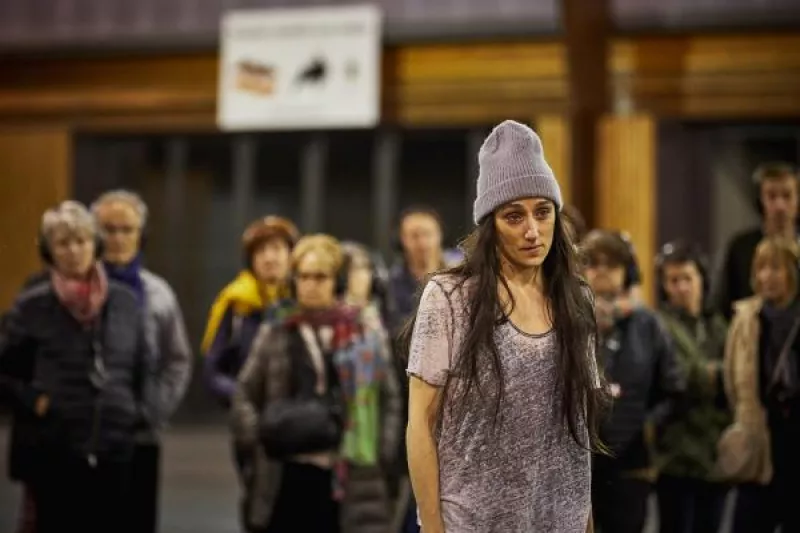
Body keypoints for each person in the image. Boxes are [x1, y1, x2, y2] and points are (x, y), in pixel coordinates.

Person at [401, 120, 606, 532]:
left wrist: (584, 520)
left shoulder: (576, 298)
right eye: (514, 216)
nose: (532, 231)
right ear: (490, 225)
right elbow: (420, 424)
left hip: (559, 521)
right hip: (472, 522)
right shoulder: (449, 297)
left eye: (542, 212)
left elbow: (577, 424)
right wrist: (432, 527)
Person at [231, 235, 402, 533]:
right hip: (283, 471)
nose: (310, 284)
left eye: (320, 277)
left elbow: (389, 398)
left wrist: (383, 454)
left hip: (347, 472)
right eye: (304, 276)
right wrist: (258, 440)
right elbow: (245, 393)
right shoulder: (276, 330)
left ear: (335, 281)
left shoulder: (362, 332)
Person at [0, 201, 148, 533]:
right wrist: (34, 400)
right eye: (63, 243)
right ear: (49, 251)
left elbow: (142, 364)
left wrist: (131, 411)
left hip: (114, 446)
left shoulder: (124, 301)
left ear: (95, 245)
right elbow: (4, 372)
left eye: (81, 241)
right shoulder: (32, 306)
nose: (73, 251)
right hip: (53, 448)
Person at [91, 190, 192, 533]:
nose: (117, 238)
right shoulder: (78, 289)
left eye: (126, 229)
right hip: (85, 432)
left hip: (140, 433)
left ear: (140, 236)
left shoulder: (158, 293)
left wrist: (154, 409)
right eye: (108, 229)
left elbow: (177, 360)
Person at [580, 229, 686, 533]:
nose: (600, 271)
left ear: (626, 272)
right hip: (576, 463)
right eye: (593, 263)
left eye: (610, 264)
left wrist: (647, 425)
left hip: (631, 463)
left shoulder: (648, 323)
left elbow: (673, 388)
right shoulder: (569, 320)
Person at [721, 237, 800, 533]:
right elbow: (731, 377)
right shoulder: (745, 318)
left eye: (776, 268)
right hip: (758, 437)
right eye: (761, 268)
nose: (767, 276)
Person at [653, 241, 730, 533]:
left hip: (715, 453)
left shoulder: (717, 324)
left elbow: (740, 374)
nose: (681, 287)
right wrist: (717, 374)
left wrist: (717, 375)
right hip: (675, 453)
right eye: (673, 281)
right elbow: (685, 377)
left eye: (687, 278)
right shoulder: (660, 324)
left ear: (701, 280)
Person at [201, 215, 299, 407]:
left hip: (296, 416)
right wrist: (241, 397)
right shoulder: (235, 303)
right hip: (248, 418)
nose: (269, 258)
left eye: (277, 249)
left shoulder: (302, 302)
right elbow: (212, 372)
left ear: (291, 256)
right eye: (261, 251)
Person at [714, 162, 798, 319]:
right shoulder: (740, 248)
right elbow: (722, 307)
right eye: (772, 197)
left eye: (787, 196)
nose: (780, 205)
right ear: (761, 200)